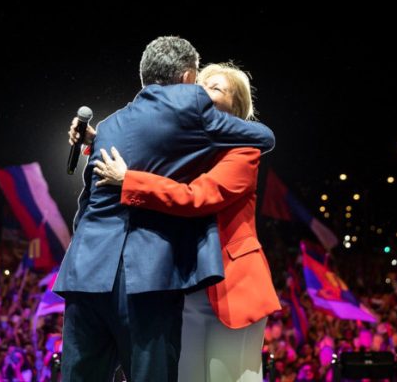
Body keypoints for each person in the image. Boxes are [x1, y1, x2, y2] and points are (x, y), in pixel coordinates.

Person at [53, 36, 275, 382]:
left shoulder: (241, 152)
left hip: (226, 285)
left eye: (214, 88)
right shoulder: (180, 135)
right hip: (173, 280)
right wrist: (98, 141)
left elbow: (197, 197)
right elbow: (143, 143)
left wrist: (129, 179)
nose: (200, 94)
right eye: (200, 85)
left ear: (237, 106)